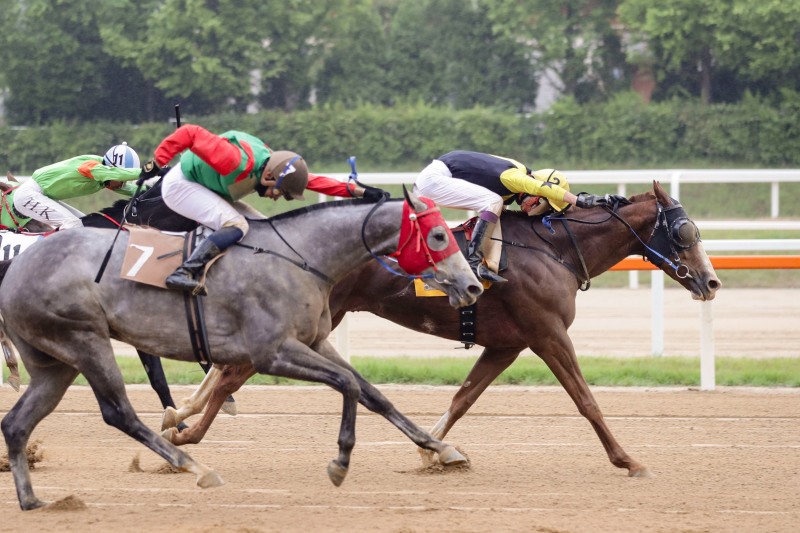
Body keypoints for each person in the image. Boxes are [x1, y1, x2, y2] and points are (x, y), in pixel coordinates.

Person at [148, 124, 385, 294]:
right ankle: (183, 273)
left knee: (265, 227)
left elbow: (313, 181)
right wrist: (157, 161)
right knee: (237, 225)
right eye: (279, 192)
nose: (277, 198)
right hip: (182, 186)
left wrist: (361, 192)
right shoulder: (233, 160)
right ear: (270, 177)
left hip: (209, 186)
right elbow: (190, 133)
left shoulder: (274, 164)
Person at [413, 150, 624, 284]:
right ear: (538, 192)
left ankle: (482, 262)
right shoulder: (516, 177)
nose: (534, 210)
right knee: (493, 202)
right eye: (542, 203)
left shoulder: (513, 183)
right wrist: (579, 201)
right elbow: (541, 186)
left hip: (437, 179)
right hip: (435, 179)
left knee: (496, 208)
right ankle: (473, 259)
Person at [12, 143, 144, 230]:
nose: (122, 184)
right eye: (121, 180)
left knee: (85, 225)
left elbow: (133, 190)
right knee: (72, 224)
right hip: (27, 195)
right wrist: (151, 170)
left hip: (41, 196)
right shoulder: (92, 167)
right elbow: (114, 173)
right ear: (111, 170)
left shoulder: (104, 179)